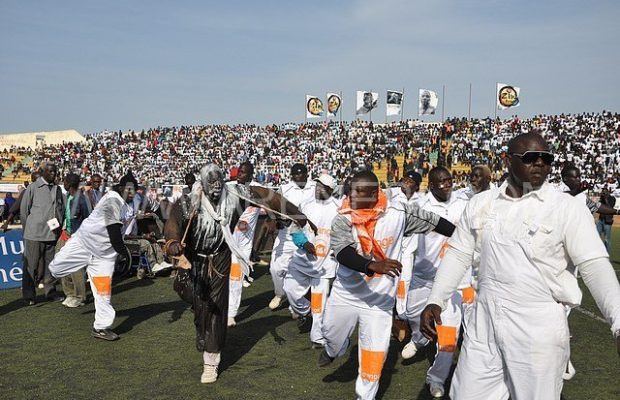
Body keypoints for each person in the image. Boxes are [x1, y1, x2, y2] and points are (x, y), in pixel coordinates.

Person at [421, 132, 620, 400]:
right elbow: (458, 254)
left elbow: (595, 266)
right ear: (507, 160)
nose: (539, 163)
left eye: (546, 158)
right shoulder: (481, 203)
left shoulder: (566, 208)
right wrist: (436, 300)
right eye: (530, 157)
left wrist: (618, 322)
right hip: (485, 319)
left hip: (537, 325)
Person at [164, 164, 313, 384]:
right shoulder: (188, 201)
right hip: (195, 260)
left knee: (216, 306)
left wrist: (296, 214)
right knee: (197, 302)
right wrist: (173, 242)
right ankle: (202, 327)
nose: (216, 188)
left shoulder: (234, 195)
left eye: (219, 183)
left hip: (221, 257)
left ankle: (211, 362)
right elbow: (172, 224)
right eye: (211, 184)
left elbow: (265, 195)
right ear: (203, 184)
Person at [318, 170, 456, 400]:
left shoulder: (397, 214)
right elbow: (342, 253)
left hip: (380, 302)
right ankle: (334, 350)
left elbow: (434, 222)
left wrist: (462, 236)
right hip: (346, 295)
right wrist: (371, 266)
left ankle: (366, 396)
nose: (351, 195)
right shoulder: (343, 216)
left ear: (374, 193)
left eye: (358, 191)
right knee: (331, 337)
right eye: (351, 189)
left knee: (375, 358)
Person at [400, 167, 469, 398]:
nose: (447, 184)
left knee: (450, 335)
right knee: (412, 316)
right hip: (423, 278)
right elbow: (408, 248)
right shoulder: (419, 207)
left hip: (452, 282)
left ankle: (437, 378)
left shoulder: (463, 203)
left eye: (449, 180)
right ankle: (419, 339)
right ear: (430, 185)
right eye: (441, 182)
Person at [49, 172, 136, 341]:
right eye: (128, 188)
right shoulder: (112, 200)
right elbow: (112, 230)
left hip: (103, 257)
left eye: (135, 189)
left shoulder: (126, 204)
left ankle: (101, 327)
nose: (132, 192)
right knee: (56, 267)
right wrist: (123, 252)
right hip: (84, 244)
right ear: (120, 187)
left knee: (103, 293)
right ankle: (49, 278)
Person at [283, 174, 341, 348]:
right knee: (290, 290)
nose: (317, 188)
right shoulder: (306, 205)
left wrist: (338, 253)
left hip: (325, 264)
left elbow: (344, 234)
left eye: (321, 186)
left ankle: (318, 337)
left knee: (319, 302)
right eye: (316, 185)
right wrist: (303, 243)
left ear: (330, 190)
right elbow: (294, 229)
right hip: (302, 260)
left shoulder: (339, 209)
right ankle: (304, 311)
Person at [269, 163, 316, 310]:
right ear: (291, 175)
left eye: (301, 173)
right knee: (276, 268)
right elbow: (275, 208)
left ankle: (298, 301)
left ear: (307, 174)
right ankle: (279, 293)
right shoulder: (285, 188)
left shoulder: (315, 187)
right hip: (288, 233)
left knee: (308, 269)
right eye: (295, 174)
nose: (299, 177)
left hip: (308, 234)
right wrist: (277, 220)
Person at [20, 162, 65, 305]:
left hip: (52, 234)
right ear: (43, 172)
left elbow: (61, 210)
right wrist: (29, 230)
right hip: (34, 234)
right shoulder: (33, 188)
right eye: (50, 172)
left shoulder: (58, 189)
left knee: (50, 266)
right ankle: (29, 296)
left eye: (55, 172)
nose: (53, 174)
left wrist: (58, 227)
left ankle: (50, 292)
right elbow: (24, 211)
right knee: (31, 266)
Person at [227, 162, 263, 327]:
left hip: (241, 248)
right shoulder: (227, 187)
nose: (239, 175)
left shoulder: (259, 190)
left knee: (235, 280)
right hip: (223, 242)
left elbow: (275, 206)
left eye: (243, 173)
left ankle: (231, 314)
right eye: (239, 172)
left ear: (250, 175)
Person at [388, 170, 422, 321]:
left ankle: (401, 312)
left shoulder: (421, 201)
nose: (406, 183)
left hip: (409, 247)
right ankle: (388, 307)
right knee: (388, 278)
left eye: (410, 181)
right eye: (405, 180)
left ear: (417, 186)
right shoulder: (390, 194)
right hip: (391, 245)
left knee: (405, 279)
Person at [58, 173, 92, 308]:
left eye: (65, 182)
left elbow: (88, 219)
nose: (63, 184)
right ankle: (70, 293)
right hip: (65, 234)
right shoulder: (69, 197)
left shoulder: (82, 200)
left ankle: (80, 296)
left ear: (69, 184)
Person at [597, 187, 616, 252]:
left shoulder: (612, 198)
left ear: (608, 192)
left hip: (608, 221)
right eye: (603, 191)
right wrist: (601, 199)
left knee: (607, 239)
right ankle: (598, 251)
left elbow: (610, 208)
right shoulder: (602, 199)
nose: (603, 193)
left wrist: (605, 199)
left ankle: (607, 253)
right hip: (600, 220)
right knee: (596, 236)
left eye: (604, 191)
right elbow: (598, 207)